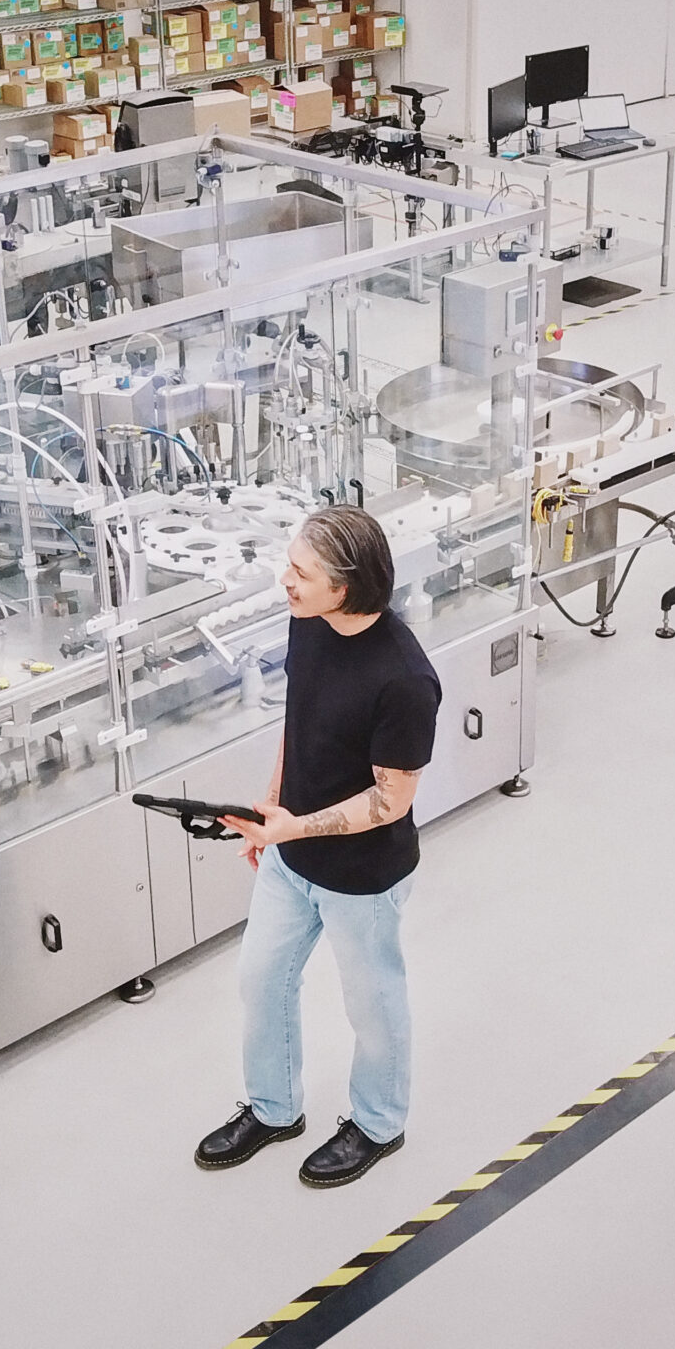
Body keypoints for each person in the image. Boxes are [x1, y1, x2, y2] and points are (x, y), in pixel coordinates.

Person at [194, 505, 440, 1188]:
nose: (285, 581)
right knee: (260, 978)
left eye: (300, 572)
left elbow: (390, 801)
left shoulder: (405, 681)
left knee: (372, 1002)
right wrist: (270, 809)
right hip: (289, 854)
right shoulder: (310, 623)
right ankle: (274, 1109)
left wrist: (292, 828)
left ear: (346, 586)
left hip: (362, 875)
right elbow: (298, 720)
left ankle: (378, 1122)